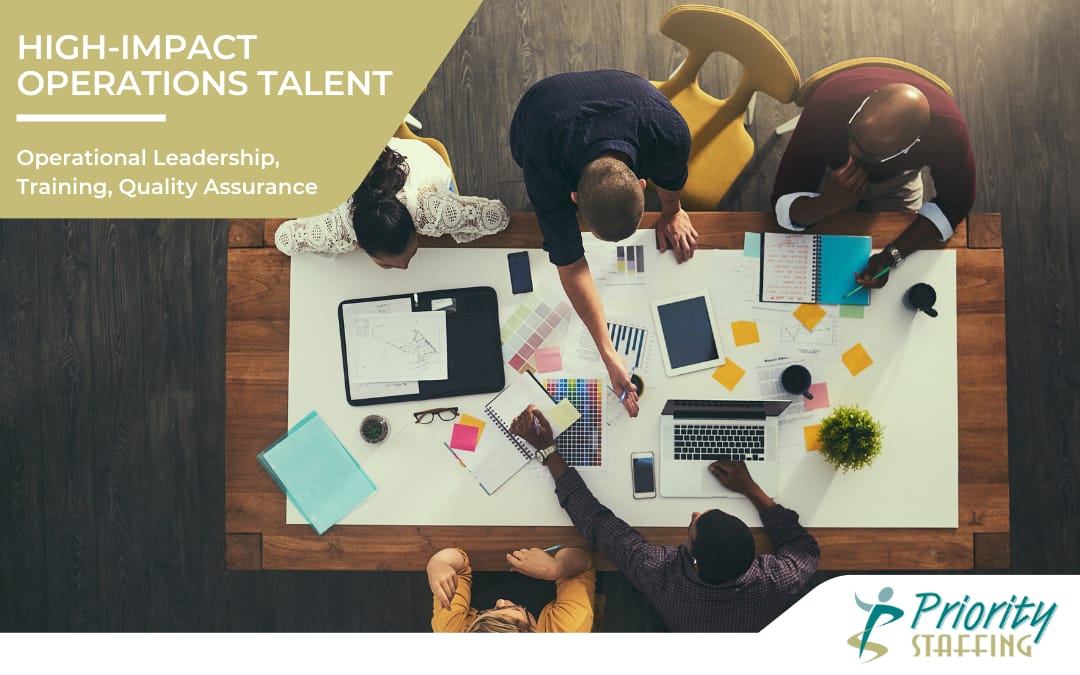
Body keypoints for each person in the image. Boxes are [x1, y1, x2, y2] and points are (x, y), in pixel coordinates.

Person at [509, 404, 819, 632]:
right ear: (755, 559)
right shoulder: (779, 580)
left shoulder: (660, 573)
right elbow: (805, 547)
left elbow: (594, 520)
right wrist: (750, 488)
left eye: (695, 524)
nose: (696, 512)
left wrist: (548, 450)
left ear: (693, 560)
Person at [510, 70, 696, 416]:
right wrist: (609, 353)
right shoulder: (542, 159)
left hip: (637, 100)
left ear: (642, 185)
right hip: (541, 108)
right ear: (574, 198)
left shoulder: (670, 133)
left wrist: (673, 210)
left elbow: (672, 179)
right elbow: (569, 264)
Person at [771, 65, 975, 289]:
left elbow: (955, 205)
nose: (854, 152)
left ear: (908, 148)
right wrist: (827, 202)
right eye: (853, 135)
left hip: (897, 181)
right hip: (832, 174)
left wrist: (890, 256)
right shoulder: (827, 105)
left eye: (870, 153)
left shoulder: (949, 133)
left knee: (894, 255)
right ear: (860, 110)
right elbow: (783, 199)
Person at [274, 136, 510, 268]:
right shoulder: (340, 227)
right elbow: (283, 239)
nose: (406, 269)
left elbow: (498, 215)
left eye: (413, 253)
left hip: (418, 161)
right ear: (359, 244)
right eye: (388, 265)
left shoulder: (429, 210)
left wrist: (449, 215)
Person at [426, 545, 595, 633]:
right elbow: (584, 564)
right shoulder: (566, 629)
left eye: (485, 614)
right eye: (515, 608)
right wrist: (557, 568)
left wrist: (438, 563)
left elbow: (458, 568)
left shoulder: (454, 632)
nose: (500, 601)